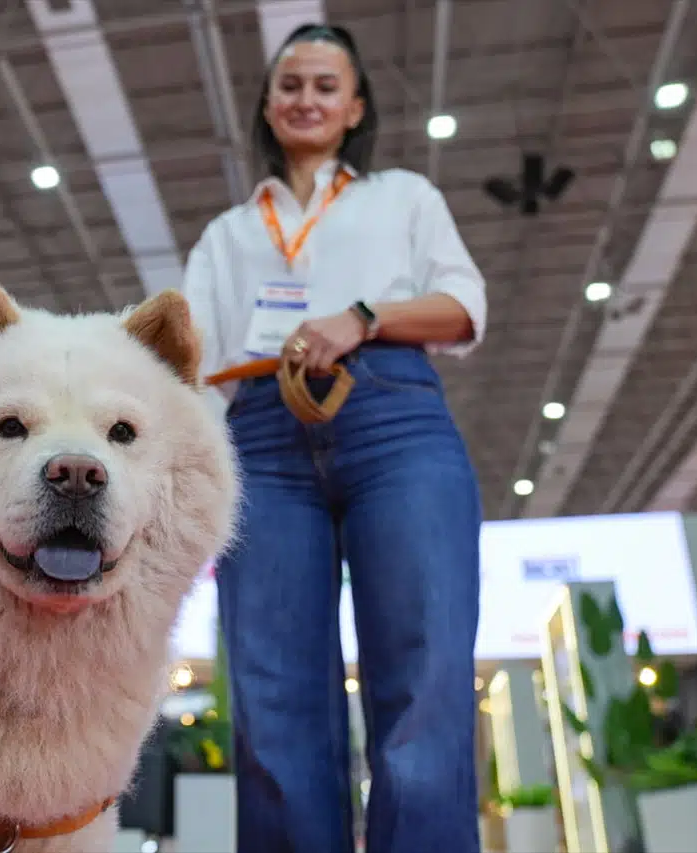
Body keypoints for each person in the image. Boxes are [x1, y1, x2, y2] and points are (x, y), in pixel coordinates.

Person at [181, 23, 487, 853]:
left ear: (354, 107)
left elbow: (463, 305)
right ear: (268, 105)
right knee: (271, 691)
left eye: (324, 86)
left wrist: (363, 317)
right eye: (290, 85)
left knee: (423, 675)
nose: (305, 99)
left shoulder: (404, 198)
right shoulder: (227, 235)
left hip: (395, 419)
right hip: (262, 441)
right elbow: (193, 362)